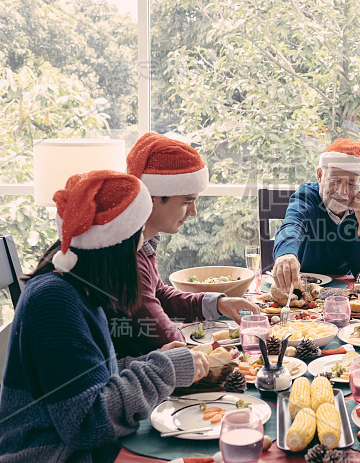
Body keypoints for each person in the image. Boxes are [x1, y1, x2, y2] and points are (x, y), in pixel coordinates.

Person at [0, 171, 208, 462]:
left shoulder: (81, 287)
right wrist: (165, 369)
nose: (142, 246)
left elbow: (94, 376)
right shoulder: (54, 301)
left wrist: (151, 361)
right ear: (117, 247)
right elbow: (86, 422)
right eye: (139, 236)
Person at [109, 132, 260, 357]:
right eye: (187, 201)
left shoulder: (144, 241)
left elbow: (159, 294)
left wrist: (218, 304)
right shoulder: (127, 256)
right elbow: (165, 337)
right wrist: (216, 349)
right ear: (152, 198)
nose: (193, 212)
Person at [272, 138, 360, 292]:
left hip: (344, 290)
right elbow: (292, 224)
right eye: (335, 180)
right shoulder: (306, 196)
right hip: (302, 285)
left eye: (351, 184)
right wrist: (286, 255)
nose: (342, 192)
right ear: (319, 175)